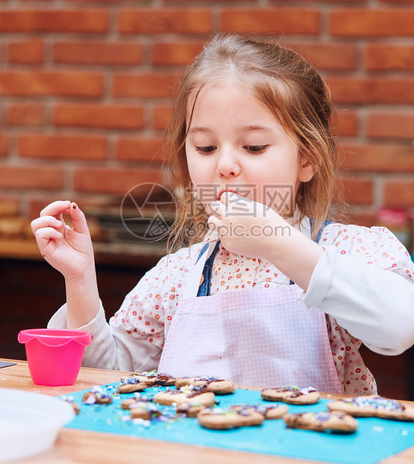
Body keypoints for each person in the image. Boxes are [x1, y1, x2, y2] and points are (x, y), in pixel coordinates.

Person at [31, 33, 414, 395]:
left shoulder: (347, 250)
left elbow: (400, 328)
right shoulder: (176, 276)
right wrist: (80, 280)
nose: (226, 164)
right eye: (206, 146)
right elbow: (106, 374)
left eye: (253, 146)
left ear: (308, 160)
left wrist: (280, 245)